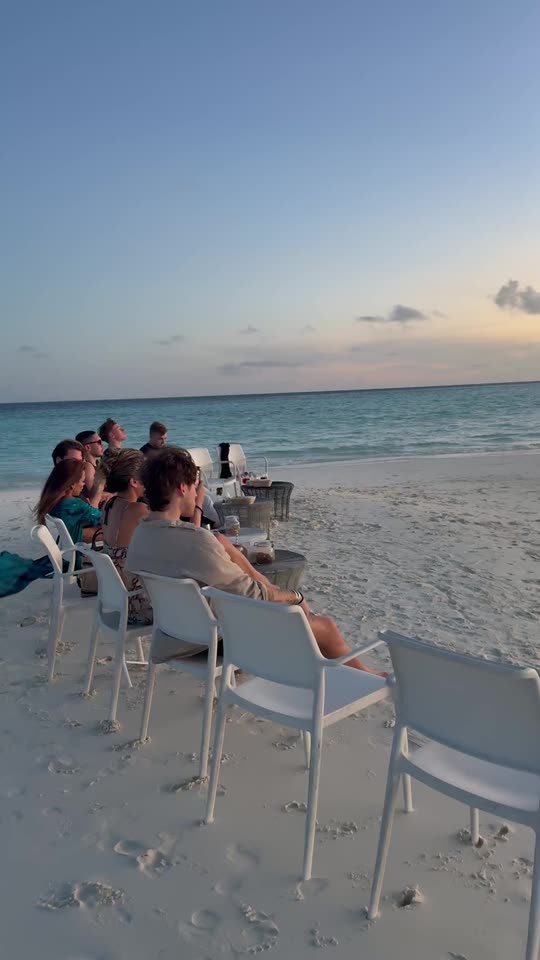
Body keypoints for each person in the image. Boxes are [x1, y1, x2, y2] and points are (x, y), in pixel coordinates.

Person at [126, 448, 385, 674]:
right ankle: (366, 678)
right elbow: (252, 594)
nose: (196, 494)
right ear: (182, 488)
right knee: (323, 625)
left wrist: (230, 553)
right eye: (194, 487)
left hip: (172, 636)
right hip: (211, 639)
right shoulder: (195, 541)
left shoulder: (142, 534)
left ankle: (340, 672)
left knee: (302, 620)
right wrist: (295, 596)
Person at [101, 450, 152, 625]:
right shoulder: (138, 510)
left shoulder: (109, 505)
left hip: (118, 600)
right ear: (134, 481)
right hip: (140, 605)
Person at [34, 460, 102, 565]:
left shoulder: (54, 502)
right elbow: (102, 518)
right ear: (72, 485)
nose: (83, 485)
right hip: (75, 551)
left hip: (67, 551)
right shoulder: (75, 505)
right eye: (82, 481)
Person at [75, 430, 109, 505]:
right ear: (88, 447)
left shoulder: (95, 465)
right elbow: (94, 494)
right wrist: (117, 495)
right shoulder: (88, 467)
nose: (102, 445)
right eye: (99, 442)